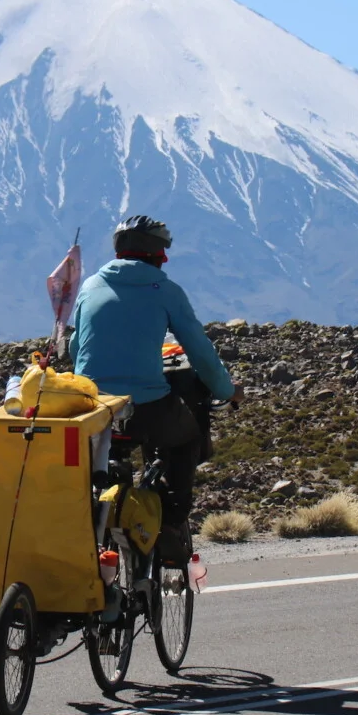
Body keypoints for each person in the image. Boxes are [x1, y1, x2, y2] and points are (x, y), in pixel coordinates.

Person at [67, 215, 244, 561]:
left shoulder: (90, 287)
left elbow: (77, 349)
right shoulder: (166, 291)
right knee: (187, 435)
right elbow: (200, 352)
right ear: (157, 254)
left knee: (95, 464)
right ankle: (171, 522)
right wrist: (226, 390)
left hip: (92, 407)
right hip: (145, 406)